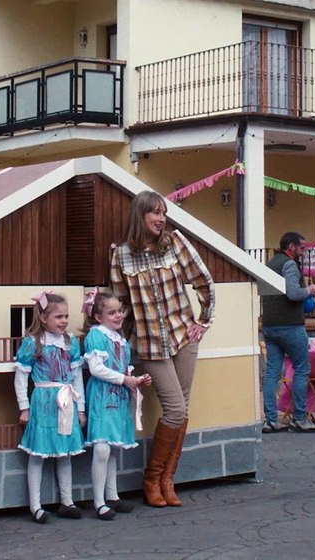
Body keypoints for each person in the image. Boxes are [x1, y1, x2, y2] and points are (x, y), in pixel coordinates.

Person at [110, 190, 215, 508]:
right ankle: (151, 480)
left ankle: (167, 481)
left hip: (183, 336)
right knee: (176, 410)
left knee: (182, 408)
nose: (161, 218)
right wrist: (118, 346)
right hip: (149, 343)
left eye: (164, 213)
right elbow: (121, 303)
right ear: (140, 215)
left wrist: (204, 321)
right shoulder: (121, 255)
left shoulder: (176, 243)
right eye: (155, 212)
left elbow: (204, 281)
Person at [14, 291, 87, 524]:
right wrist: (24, 407)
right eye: (58, 317)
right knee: (39, 453)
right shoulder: (33, 342)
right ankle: (35, 505)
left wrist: (81, 408)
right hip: (44, 401)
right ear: (44, 318)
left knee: (64, 452)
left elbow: (76, 377)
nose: (64, 321)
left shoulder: (70, 342)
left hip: (67, 400)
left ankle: (67, 501)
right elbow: (21, 377)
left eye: (66, 316)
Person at [80, 288, 152, 520]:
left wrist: (137, 379)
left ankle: (112, 496)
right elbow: (96, 368)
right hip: (102, 395)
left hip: (118, 396)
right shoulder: (97, 336)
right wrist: (125, 379)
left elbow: (123, 367)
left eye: (119, 311)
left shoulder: (120, 340)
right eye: (112, 313)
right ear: (98, 317)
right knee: (102, 448)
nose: (118, 316)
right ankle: (99, 501)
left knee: (112, 448)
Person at [260, 231, 315, 434]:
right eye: (302, 248)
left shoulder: (270, 264)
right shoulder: (289, 264)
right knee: (302, 369)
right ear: (291, 247)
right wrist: (310, 290)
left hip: (270, 325)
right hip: (290, 325)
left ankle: (270, 420)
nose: (303, 252)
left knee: (272, 373)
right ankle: (299, 418)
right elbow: (293, 293)